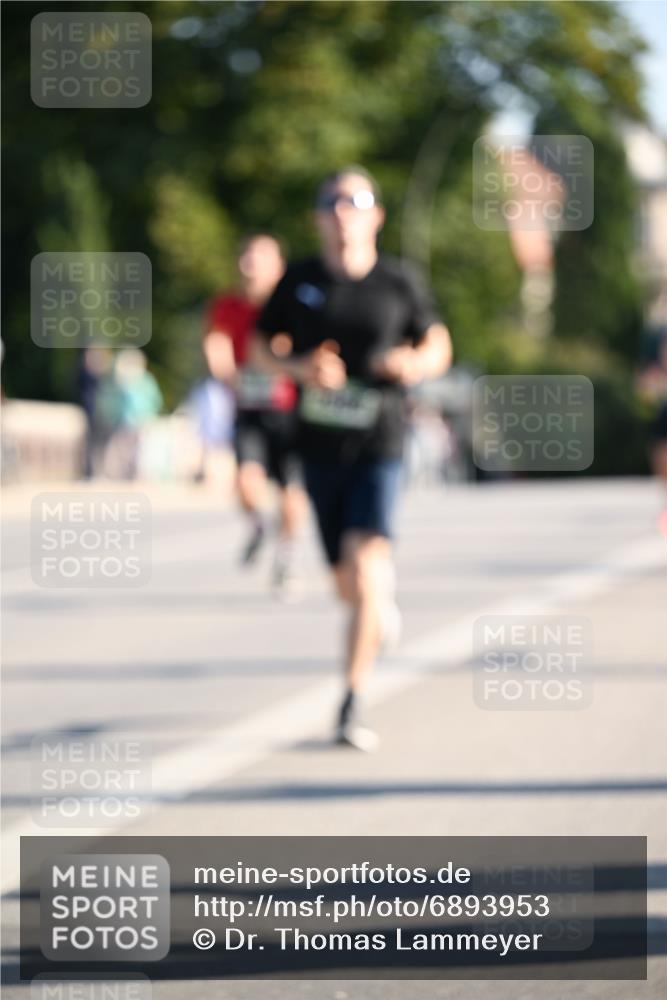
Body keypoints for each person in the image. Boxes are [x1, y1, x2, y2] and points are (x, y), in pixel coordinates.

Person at [252, 166, 452, 749]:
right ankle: (377, 612)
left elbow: (438, 343)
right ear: (318, 217)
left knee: (365, 565)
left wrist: (413, 364)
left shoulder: (398, 282)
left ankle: (350, 700)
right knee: (346, 582)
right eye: (331, 202)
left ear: (375, 215)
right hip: (319, 443)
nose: (342, 212)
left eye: (354, 201)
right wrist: (299, 368)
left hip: (381, 442)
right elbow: (262, 348)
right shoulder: (300, 280)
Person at [206, 235, 306, 593]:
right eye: (247, 256)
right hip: (249, 408)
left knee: (291, 492)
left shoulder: (292, 304)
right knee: (246, 484)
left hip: (289, 410)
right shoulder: (227, 306)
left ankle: (288, 556)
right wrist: (228, 374)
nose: (251, 264)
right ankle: (260, 527)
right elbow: (216, 342)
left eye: (260, 258)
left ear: (277, 265)